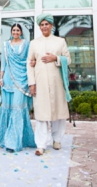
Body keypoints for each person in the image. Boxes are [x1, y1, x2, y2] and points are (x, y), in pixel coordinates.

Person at [27, 14, 71, 156]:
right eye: (42, 24)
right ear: (39, 27)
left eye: (47, 24)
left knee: (58, 113)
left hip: (57, 82)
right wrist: (31, 83)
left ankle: (57, 140)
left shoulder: (60, 41)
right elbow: (30, 63)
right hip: (40, 83)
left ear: (51, 26)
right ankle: (40, 145)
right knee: (41, 114)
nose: (44, 26)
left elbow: (68, 60)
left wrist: (56, 58)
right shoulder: (34, 43)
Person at [0, 24, 36, 152]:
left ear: (21, 32)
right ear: (11, 32)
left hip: (22, 79)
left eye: (18, 30)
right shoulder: (6, 45)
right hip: (7, 79)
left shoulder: (27, 44)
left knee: (18, 108)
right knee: (7, 108)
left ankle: (15, 141)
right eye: (14, 30)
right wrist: (1, 78)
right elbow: (3, 63)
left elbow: (30, 60)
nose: (16, 32)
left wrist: (33, 65)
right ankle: (4, 138)